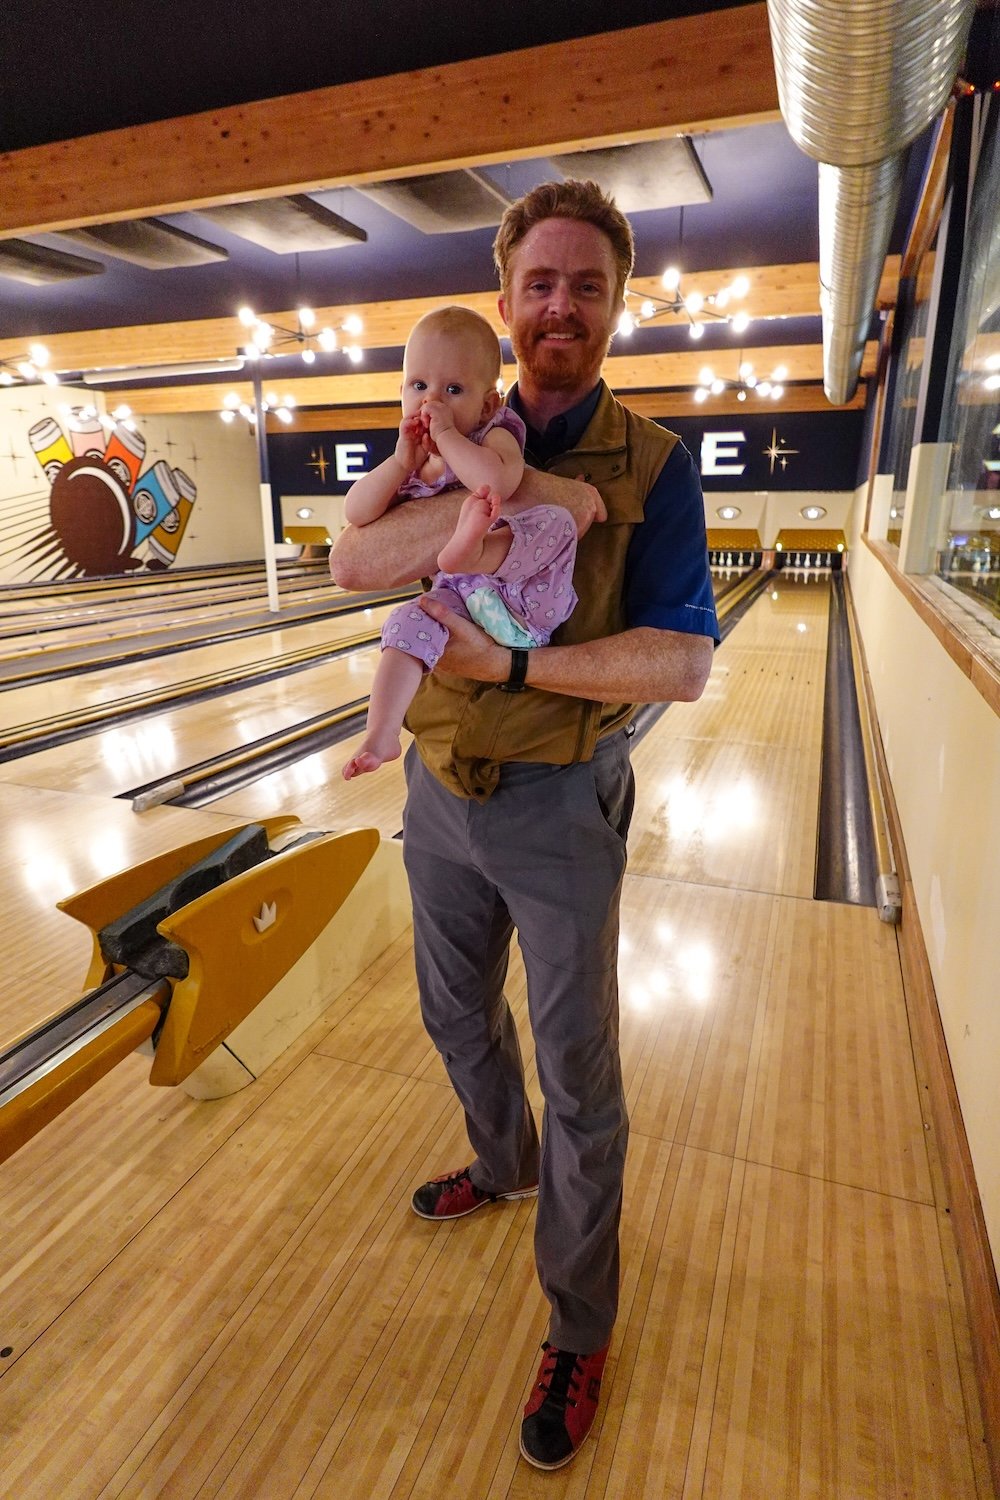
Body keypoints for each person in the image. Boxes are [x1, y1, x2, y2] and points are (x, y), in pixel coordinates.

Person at [330, 179, 718, 1471]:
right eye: (539, 284)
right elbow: (360, 565)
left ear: (615, 307)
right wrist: (488, 500)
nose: (561, 305)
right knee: (453, 1017)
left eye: (587, 286)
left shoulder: (655, 468)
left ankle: (580, 1320)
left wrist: (513, 669)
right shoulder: (446, 418)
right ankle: (500, 1166)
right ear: (506, 306)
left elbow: (678, 664)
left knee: (582, 1075)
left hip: (561, 806)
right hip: (439, 791)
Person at [341, 306, 578, 779]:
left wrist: (447, 436)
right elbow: (357, 512)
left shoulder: (496, 433)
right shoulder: (411, 460)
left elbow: (495, 483)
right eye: (418, 386)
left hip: (526, 603)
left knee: (557, 521)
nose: (432, 401)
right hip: (463, 604)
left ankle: (472, 548)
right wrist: (398, 463)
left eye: (453, 389)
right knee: (406, 622)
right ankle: (381, 732)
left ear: (489, 405)